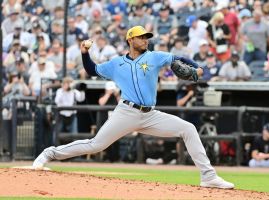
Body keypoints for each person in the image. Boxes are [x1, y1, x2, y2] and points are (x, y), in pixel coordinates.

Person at [33, 25, 234, 189]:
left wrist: (197, 67)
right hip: (126, 112)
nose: (145, 40)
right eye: (141, 37)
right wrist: (85, 53)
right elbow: (92, 70)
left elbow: (178, 58)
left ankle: (208, 176)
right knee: (96, 145)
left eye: (146, 37)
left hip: (150, 114)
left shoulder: (153, 56)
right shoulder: (116, 63)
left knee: (188, 129)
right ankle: (49, 153)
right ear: (130, 40)